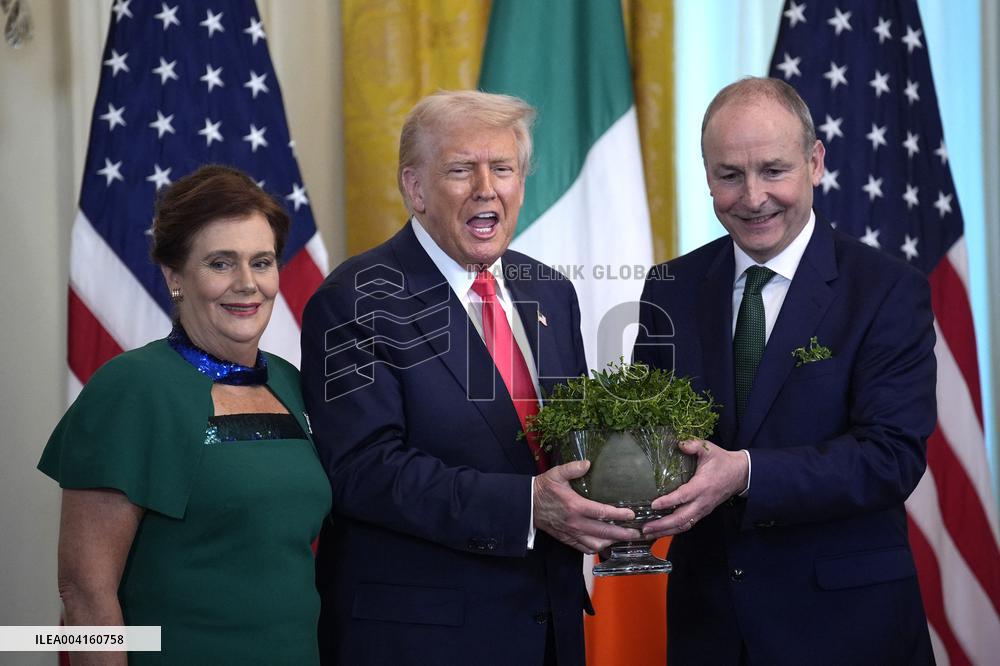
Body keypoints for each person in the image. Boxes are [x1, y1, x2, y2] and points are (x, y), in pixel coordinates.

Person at [301, 90, 638, 665]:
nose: (487, 188)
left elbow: (567, 443)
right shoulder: (353, 299)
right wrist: (525, 507)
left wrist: (625, 487)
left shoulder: (549, 290)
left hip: (548, 629)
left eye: (503, 168)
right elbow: (362, 471)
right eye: (462, 170)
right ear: (415, 188)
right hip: (424, 637)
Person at [634, 77, 936, 666]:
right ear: (707, 178)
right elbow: (654, 444)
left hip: (847, 630)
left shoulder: (887, 290)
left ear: (815, 162)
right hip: (710, 630)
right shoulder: (669, 288)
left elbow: (891, 457)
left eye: (773, 170)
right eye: (729, 175)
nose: (752, 197)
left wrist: (744, 474)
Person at [39, 165, 331, 665]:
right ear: (174, 276)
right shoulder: (132, 388)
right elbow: (84, 593)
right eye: (221, 263)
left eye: (261, 262)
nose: (247, 284)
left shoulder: (290, 381)